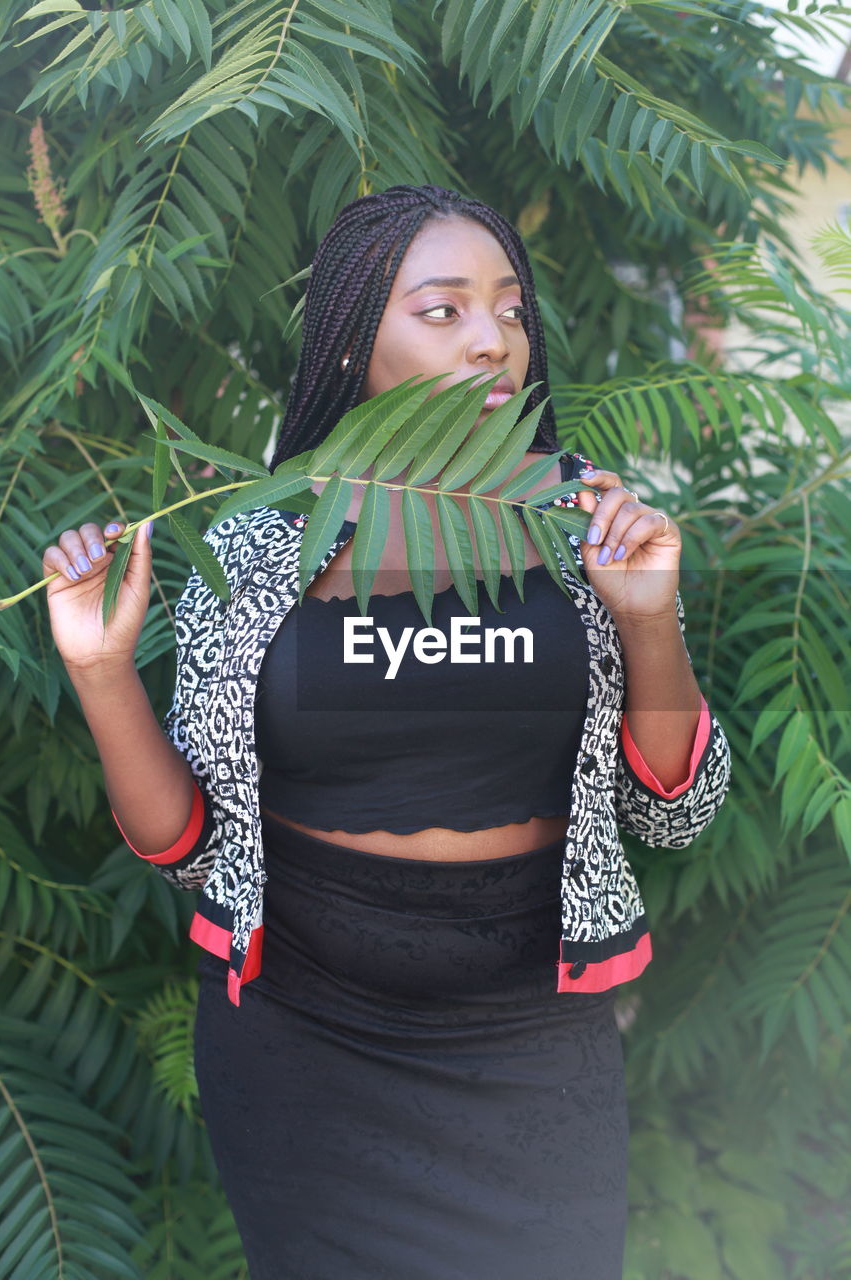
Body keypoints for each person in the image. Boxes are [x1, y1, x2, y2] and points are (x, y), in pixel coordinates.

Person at [44, 185, 731, 1280]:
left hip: (529, 1040)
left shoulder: (587, 524)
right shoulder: (264, 540)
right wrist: (98, 667)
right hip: (304, 1043)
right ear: (357, 334)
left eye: (509, 308)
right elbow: (186, 846)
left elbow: (676, 805)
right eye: (443, 309)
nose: (491, 340)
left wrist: (647, 618)